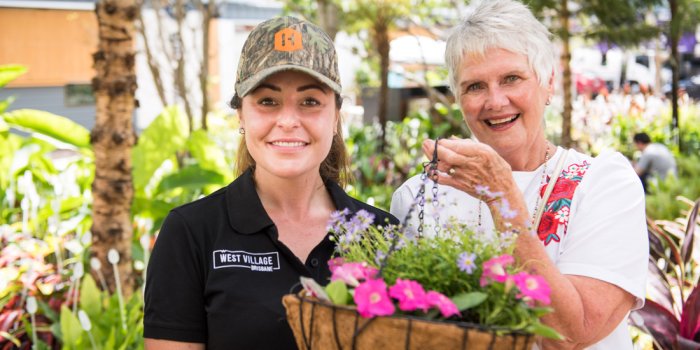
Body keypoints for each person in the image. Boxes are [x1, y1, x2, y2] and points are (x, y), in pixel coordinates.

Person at [390, 1, 648, 349]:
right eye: (475, 86)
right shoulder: (417, 197)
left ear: (548, 83)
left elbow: (575, 332)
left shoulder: (603, 184)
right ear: (458, 98)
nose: (495, 101)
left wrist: (502, 196)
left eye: (512, 78)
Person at [144, 16, 397, 350]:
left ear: (335, 116)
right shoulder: (191, 232)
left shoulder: (383, 234)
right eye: (267, 101)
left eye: (310, 102)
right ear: (241, 115)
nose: (288, 121)